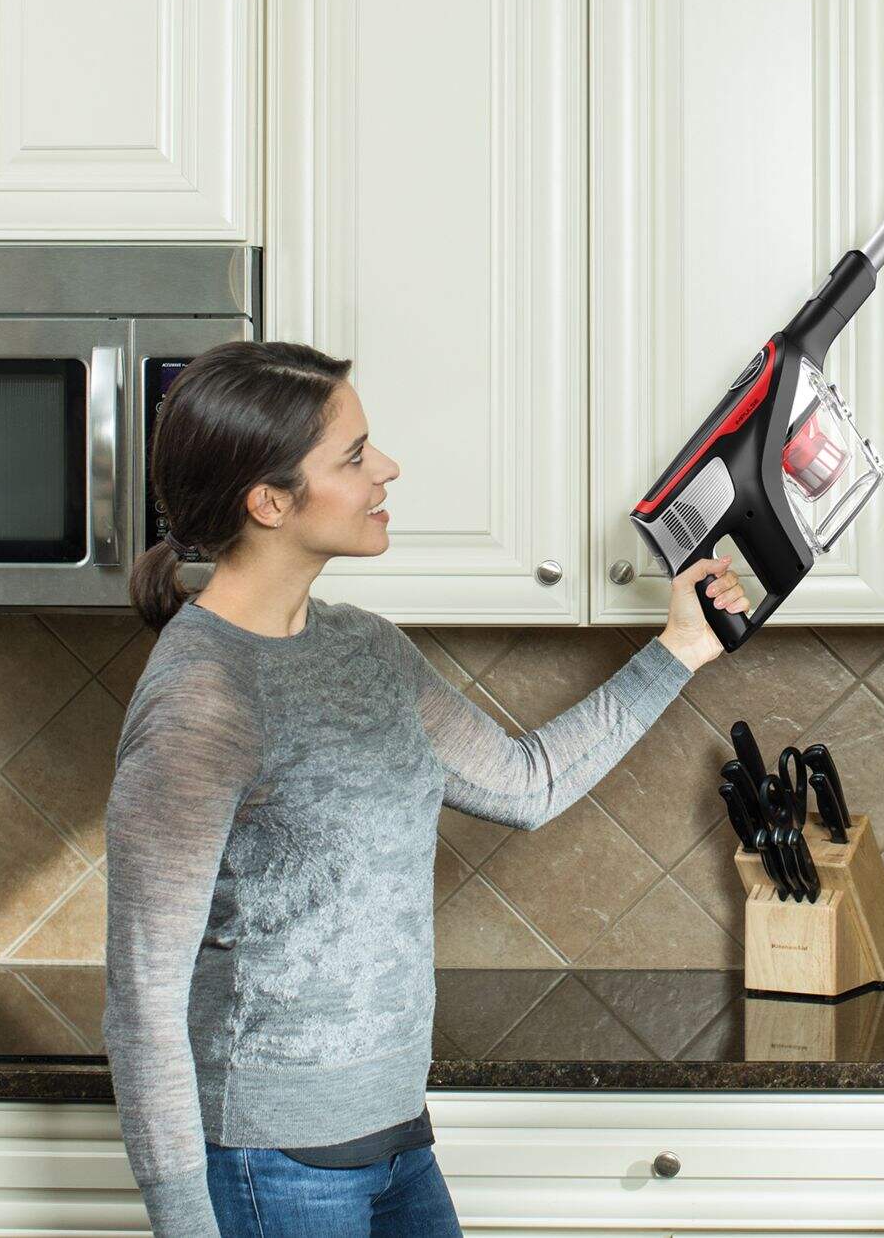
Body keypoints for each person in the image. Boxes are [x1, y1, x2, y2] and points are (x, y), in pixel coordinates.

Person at [103, 340, 748, 1238]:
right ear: (270, 501)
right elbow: (143, 999)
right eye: (354, 456)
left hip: (398, 1136)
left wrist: (679, 648)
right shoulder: (203, 699)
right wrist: (185, 1225)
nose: (387, 467)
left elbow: (528, 782)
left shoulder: (365, 647)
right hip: (271, 1163)